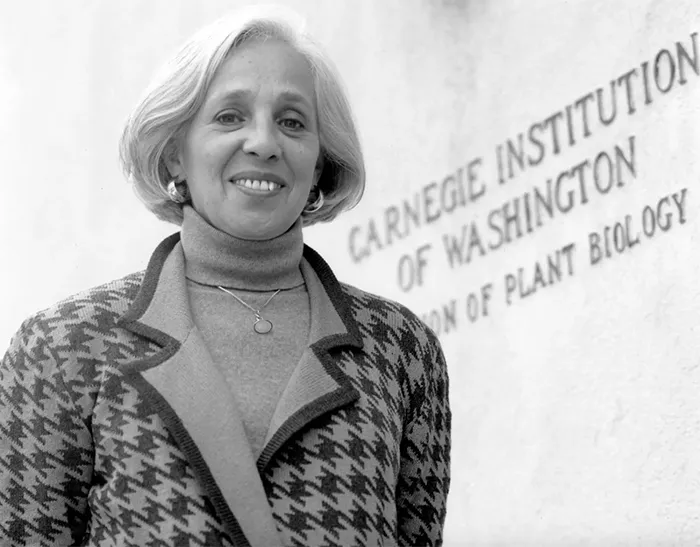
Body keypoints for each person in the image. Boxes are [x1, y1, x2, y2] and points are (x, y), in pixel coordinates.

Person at [0, 6, 451, 546]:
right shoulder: (62, 344)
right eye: (229, 116)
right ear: (174, 157)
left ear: (319, 166)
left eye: (292, 121)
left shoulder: (403, 348)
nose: (264, 142)